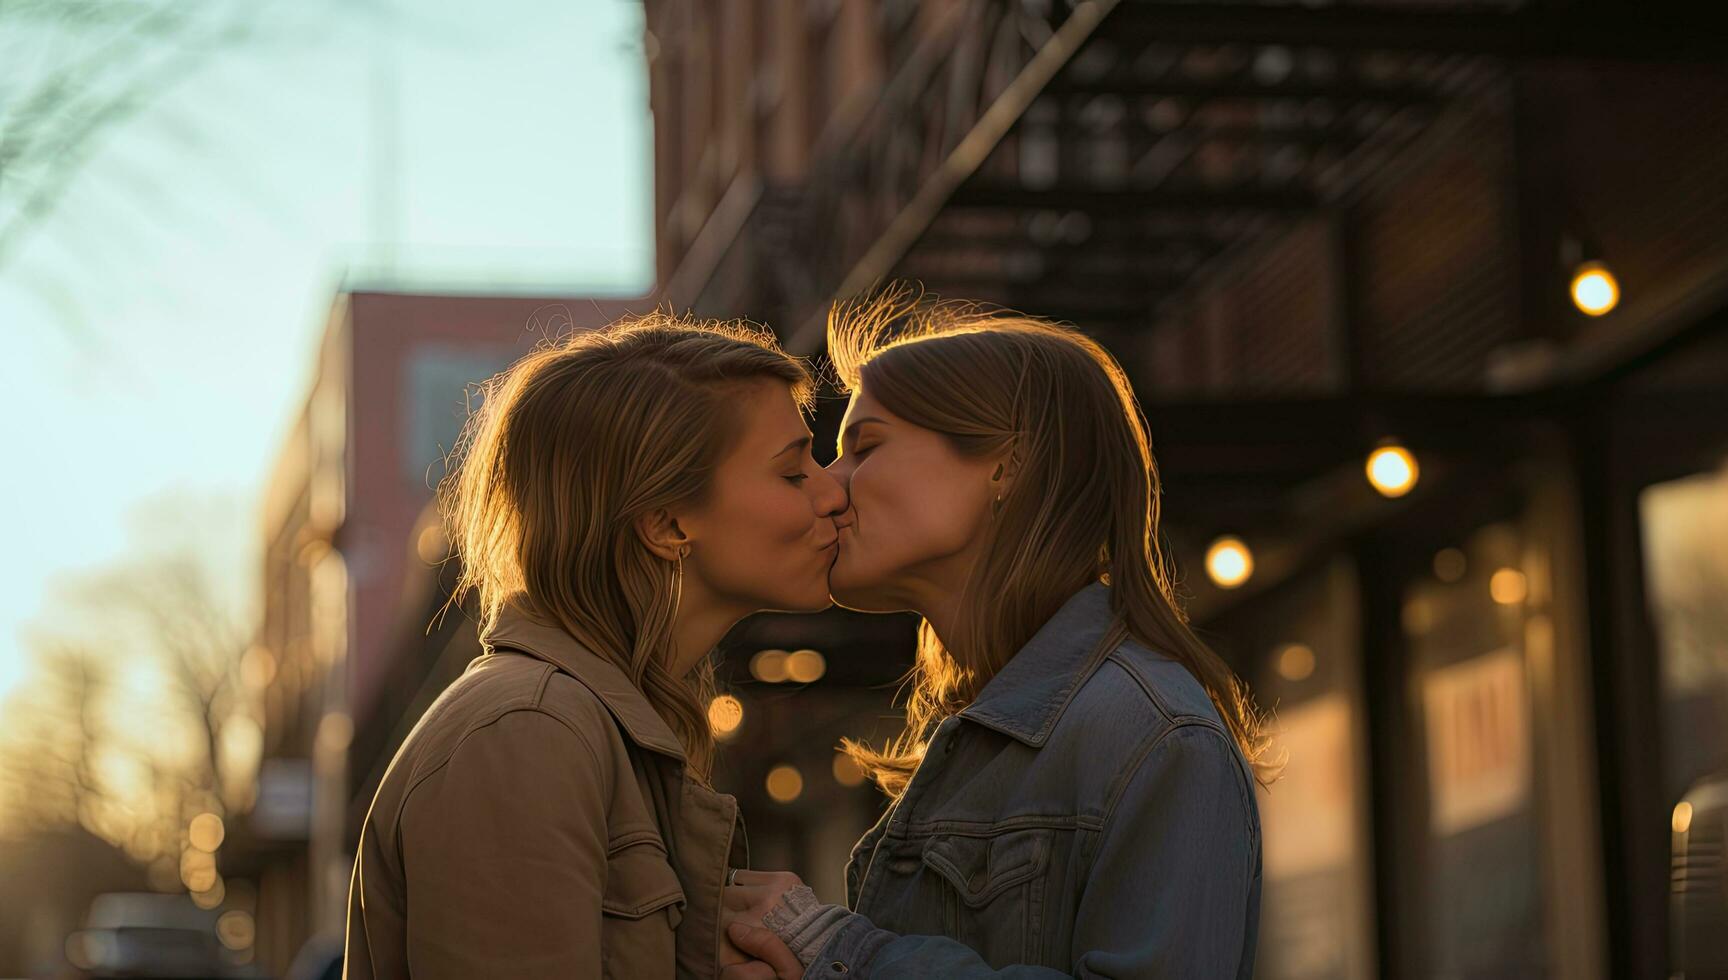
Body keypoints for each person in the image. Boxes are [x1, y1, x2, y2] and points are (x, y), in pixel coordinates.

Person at [722, 293, 1276, 979]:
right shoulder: (989, 732)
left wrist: (839, 951)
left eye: (864, 447)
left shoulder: (1152, 735)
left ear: (1006, 463)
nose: (830, 491)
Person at [343, 312, 848, 979]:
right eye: (793, 473)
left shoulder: (598, 728)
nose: (835, 488)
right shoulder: (526, 733)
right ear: (666, 522)